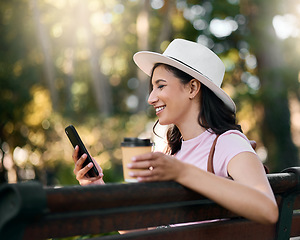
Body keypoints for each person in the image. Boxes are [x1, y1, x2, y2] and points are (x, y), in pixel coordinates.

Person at [73, 39, 278, 225]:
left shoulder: (227, 143)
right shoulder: (170, 155)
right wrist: (97, 186)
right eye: (152, 88)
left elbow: (267, 209)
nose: (151, 98)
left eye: (160, 86)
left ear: (192, 88)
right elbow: (143, 229)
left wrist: (182, 172)